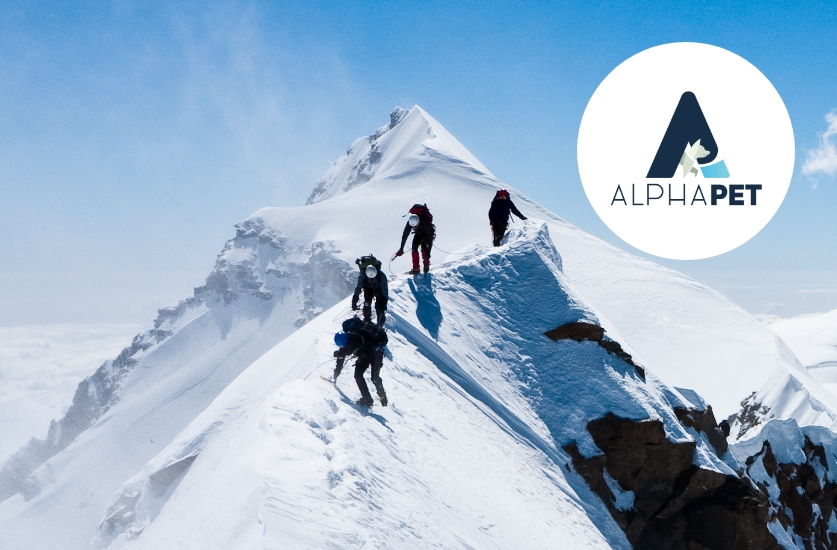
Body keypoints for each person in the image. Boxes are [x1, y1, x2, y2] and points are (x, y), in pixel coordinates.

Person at [333, 317, 388, 407]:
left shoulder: (357, 338)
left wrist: (337, 371)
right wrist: (336, 371)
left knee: (371, 377)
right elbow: (344, 353)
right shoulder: (349, 339)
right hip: (367, 354)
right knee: (369, 377)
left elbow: (346, 351)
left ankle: (382, 398)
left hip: (375, 354)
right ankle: (369, 399)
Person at [394, 204, 435, 274]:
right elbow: (405, 235)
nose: (414, 228)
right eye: (413, 227)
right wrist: (401, 248)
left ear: (418, 222)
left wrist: (429, 252)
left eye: (415, 226)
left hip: (427, 233)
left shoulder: (426, 224)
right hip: (418, 234)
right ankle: (416, 268)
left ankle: (426, 265)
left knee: (424, 248)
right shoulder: (410, 223)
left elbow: (429, 239)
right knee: (414, 248)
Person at [352, 255, 388, 326]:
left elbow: (384, 290)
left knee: (379, 305)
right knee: (367, 303)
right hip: (368, 288)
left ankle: (380, 320)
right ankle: (367, 319)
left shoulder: (382, 276)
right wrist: (355, 300)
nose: (371, 280)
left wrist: (384, 303)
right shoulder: (362, 276)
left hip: (378, 289)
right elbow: (358, 288)